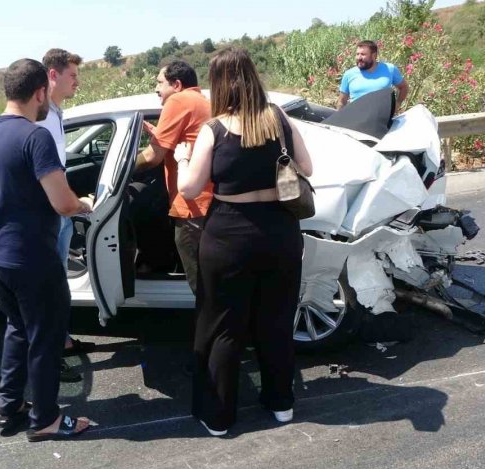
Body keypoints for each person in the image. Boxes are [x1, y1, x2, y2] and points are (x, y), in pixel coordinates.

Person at [175, 47, 313, 436]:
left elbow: (189, 189)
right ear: (253, 75)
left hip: (229, 236)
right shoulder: (279, 119)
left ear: (217, 83)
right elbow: (308, 168)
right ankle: (281, 404)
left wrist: (183, 158)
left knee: (223, 327)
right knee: (275, 321)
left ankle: (219, 418)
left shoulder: (213, 130)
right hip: (280, 233)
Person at [0, 58, 91, 442]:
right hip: (32, 257)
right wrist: (84, 202)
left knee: (18, 329)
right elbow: (63, 203)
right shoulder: (35, 137)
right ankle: (46, 419)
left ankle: (10, 410)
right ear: (40, 92)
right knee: (47, 336)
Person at [39, 48, 94, 381]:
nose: (78, 81)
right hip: (48, 212)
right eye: (72, 75)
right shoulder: (41, 115)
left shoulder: (56, 112)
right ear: (53, 75)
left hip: (57, 212)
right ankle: (51, 356)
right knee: (49, 286)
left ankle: (61, 340)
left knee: (58, 281)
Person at [135, 60, 212, 293]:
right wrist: (160, 135)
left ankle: (211, 327)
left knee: (203, 288)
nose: (156, 89)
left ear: (176, 84)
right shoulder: (200, 101)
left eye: (159, 83)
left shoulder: (178, 100)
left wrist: (122, 169)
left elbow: (151, 157)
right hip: (209, 203)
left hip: (192, 207)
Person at [337, 40, 409, 111]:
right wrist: (339, 118)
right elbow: (342, 101)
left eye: (363, 54)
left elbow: (404, 87)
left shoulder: (389, 69)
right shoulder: (349, 74)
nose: (359, 57)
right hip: (356, 117)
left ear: (374, 55)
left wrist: (398, 104)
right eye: (357, 54)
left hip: (381, 118)